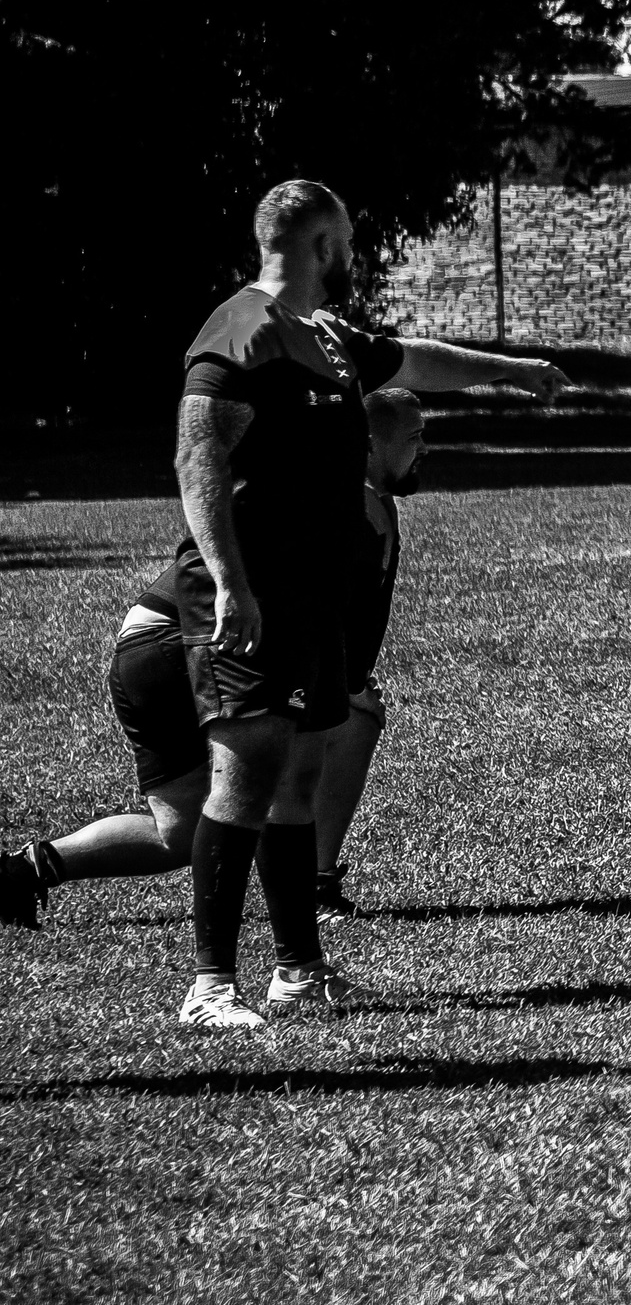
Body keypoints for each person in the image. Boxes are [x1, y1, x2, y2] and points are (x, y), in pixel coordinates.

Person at [166, 181, 569, 1029]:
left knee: (298, 779)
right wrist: (231, 583)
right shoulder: (244, 330)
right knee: (244, 778)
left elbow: (415, 360)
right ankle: (209, 988)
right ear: (321, 245)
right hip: (253, 594)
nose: (353, 255)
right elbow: (198, 458)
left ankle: (297, 972)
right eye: (347, 241)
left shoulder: (325, 335)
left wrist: (514, 372)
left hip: (313, 597)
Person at [3, 392, 423, 931]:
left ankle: (22, 870)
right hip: (184, 643)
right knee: (352, 717)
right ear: (367, 445)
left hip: (143, 646)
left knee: (176, 832)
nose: (424, 449)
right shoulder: (354, 505)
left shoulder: (341, 494)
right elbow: (331, 629)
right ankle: (312, 887)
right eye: (414, 437)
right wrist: (348, 686)